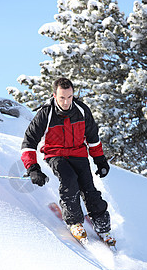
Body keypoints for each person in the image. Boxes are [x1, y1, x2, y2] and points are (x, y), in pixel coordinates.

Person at [21, 77, 115, 245]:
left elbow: (93, 138)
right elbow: (29, 142)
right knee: (69, 181)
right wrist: (33, 168)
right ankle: (74, 221)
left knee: (89, 187)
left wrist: (100, 160)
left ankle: (103, 226)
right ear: (54, 95)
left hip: (79, 154)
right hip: (55, 154)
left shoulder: (82, 110)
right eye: (62, 97)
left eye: (69, 97)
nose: (66, 102)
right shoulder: (46, 113)